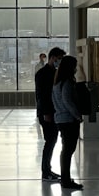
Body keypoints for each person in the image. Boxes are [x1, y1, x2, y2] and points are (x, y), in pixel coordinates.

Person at [51, 53, 83, 190]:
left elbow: (57, 101)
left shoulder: (57, 82)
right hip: (68, 120)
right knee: (68, 150)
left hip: (60, 119)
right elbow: (68, 101)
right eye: (75, 66)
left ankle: (65, 178)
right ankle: (66, 180)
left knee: (66, 150)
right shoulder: (68, 82)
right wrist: (77, 115)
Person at [35, 47, 65, 182]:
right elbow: (42, 96)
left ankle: (48, 169)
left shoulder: (56, 72)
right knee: (50, 141)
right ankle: (45, 171)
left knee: (52, 140)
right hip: (47, 113)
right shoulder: (42, 74)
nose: (60, 62)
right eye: (59, 59)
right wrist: (46, 112)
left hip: (55, 112)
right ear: (53, 58)